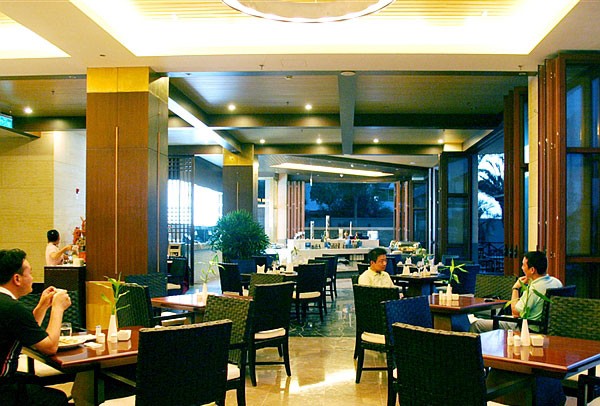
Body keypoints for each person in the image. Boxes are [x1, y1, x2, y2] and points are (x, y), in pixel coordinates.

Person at [0, 248, 72, 405]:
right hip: (3, 387)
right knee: (58, 399)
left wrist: (42, 306)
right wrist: (58, 308)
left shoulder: (5, 303)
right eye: (30, 273)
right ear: (17, 279)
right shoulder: (12, 308)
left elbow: (27, 333)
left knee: (34, 381)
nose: (32, 278)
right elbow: (50, 347)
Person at [470, 250, 563, 333]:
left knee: (476, 325)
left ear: (532, 270)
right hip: (546, 328)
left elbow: (515, 313)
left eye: (523, 265)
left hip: (526, 328)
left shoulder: (534, 289)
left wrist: (515, 288)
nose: (522, 268)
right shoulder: (556, 282)